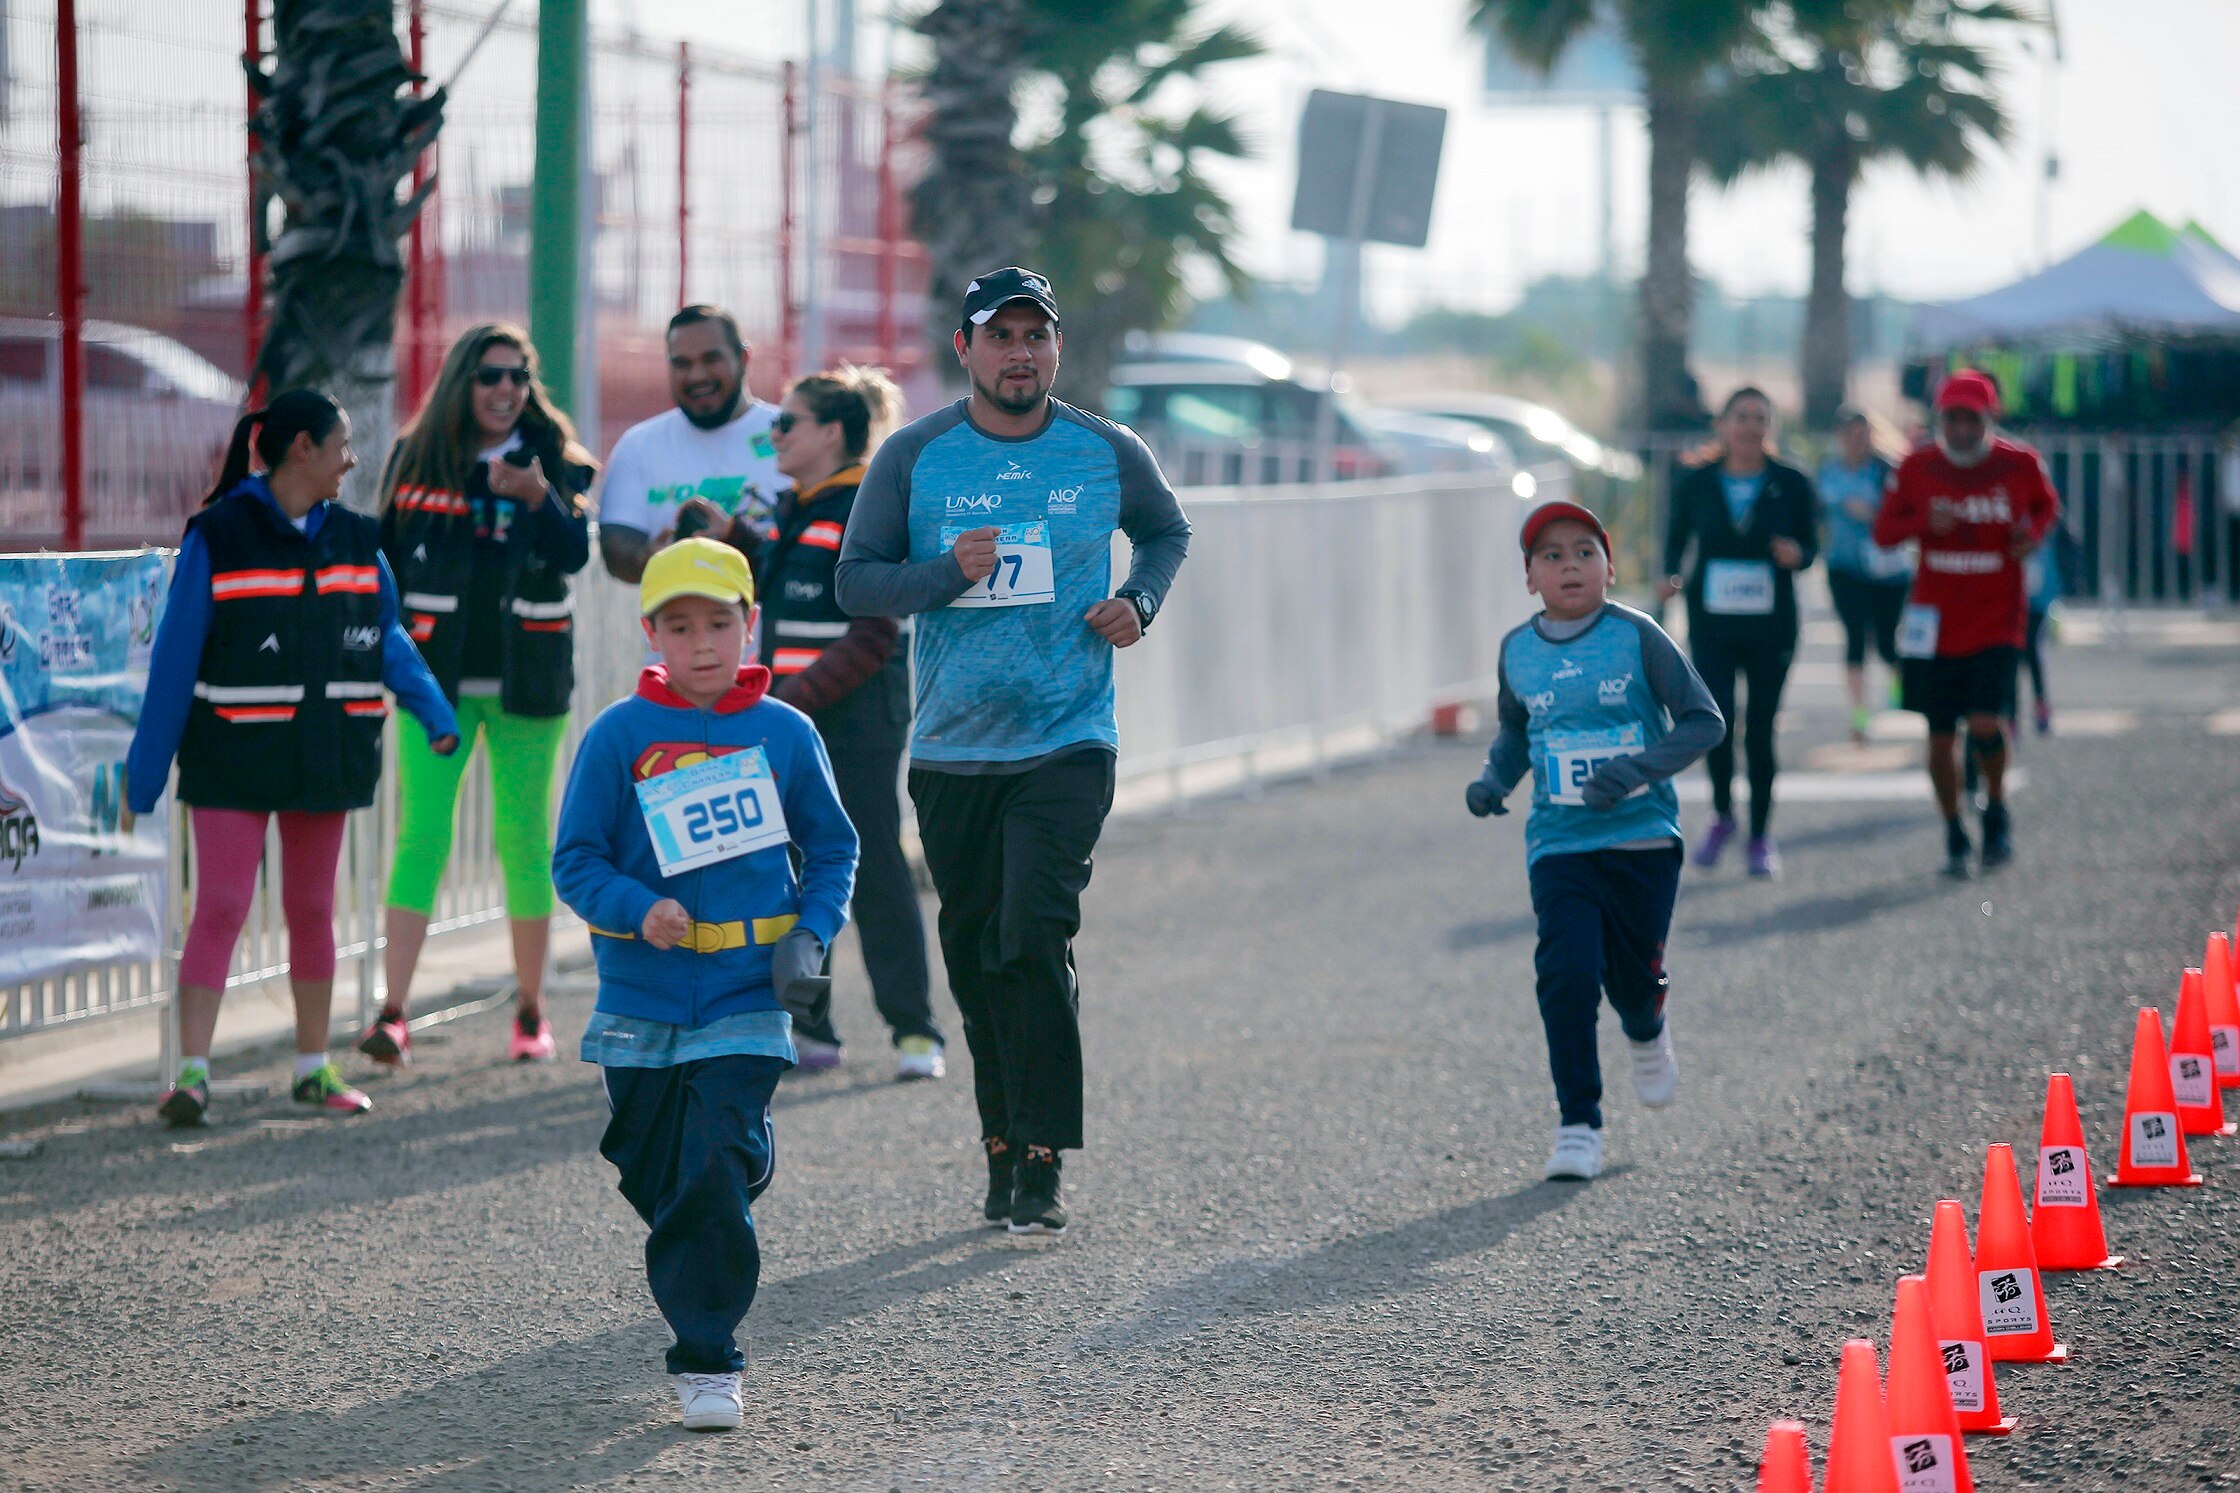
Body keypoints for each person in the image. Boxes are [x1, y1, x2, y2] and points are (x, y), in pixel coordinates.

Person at [835, 266, 1191, 1238]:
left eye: (1036, 335)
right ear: (965, 350)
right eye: (1001, 336)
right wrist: (943, 573)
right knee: (977, 952)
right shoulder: (914, 457)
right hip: (952, 750)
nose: (1020, 352)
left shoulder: (1102, 450)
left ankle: (1040, 1157)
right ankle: (1000, 1139)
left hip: (1066, 738)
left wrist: (1139, 600)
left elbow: (1164, 531)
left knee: (1032, 935)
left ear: (1056, 348)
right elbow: (855, 584)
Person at [552, 537, 857, 1432]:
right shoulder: (618, 735)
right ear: (650, 632)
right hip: (639, 1002)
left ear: (749, 623)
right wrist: (635, 907)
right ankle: (736, 1168)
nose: (700, 645)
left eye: (718, 623)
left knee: (709, 1170)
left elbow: (835, 846)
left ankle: (707, 1358)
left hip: (745, 997)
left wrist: (811, 931)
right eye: (679, 627)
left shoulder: (786, 731)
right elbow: (574, 860)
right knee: (658, 1176)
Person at [125, 390, 460, 1127]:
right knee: (220, 906)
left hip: (323, 754)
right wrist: (142, 779)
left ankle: (314, 1068)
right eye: (341, 444)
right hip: (231, 758)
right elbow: (174, 663)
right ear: (301, 448)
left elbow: (388, 639)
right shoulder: (217, 535)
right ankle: (190, 1075)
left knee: (312, 908)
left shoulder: (355, 538)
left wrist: (434, 711)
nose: (352, 459)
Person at [1464, 501, 1723, 1181]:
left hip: (1641, 838)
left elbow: (1705, 721)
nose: (1569, 564)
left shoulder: (1637, 637)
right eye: (1551, 555)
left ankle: (1646, 1023)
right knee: (1567, 974)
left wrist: (1635, 771)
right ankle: (1579, 1122)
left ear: (1609, 567)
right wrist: (1495, 779)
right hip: (1560, 841)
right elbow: (1517, 733)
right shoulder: (1517, 651)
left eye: (1584, 550)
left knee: (1630, 982)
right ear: (1530, 578)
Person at [360, 324, 595, 1068]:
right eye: (491, 375)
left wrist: (539, 498)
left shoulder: (553, 458)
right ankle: (392, 1010)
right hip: (438, 685)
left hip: (530, 682)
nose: (506, 390)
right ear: (462, 380)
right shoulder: (418, 456)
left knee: (523, 840)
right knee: (420, 836)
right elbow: (382, 564)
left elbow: (573, 554)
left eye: (519, 377)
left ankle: (531, 1009)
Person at [725, 363, 945, 1079]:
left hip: (856, 721)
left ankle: (915, 1031)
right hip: (797, 719)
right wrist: (733, 537)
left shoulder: (865, 505)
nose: (775, 434)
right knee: (789, 873)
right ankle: (811, 1027)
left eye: (787, 423)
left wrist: (789, 699)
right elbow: (782, 592)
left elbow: (874, 629)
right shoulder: (798, 503)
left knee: (874, 865)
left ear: (831, 433)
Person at [1874, 369, 2057, 878]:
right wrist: (1921, 525)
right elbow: (1884, 531)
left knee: (1984, 722)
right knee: (1938, 739)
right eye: (1950, 418)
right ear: (1938, 420)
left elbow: (2046, 506)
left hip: (1998, 615)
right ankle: (1954, 829)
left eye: (1970, 419)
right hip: (1934, 619)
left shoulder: (2019, 463)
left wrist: (2032, 534)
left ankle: (1995, 810)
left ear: (1988, 419)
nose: (1959, 429)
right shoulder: (1916, 466)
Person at [1658, 388, 1818, 877]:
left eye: (1760, 419)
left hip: (1772, 626)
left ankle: (1762, 835)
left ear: (1770, 428)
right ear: (1722, 425)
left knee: (1762, 731)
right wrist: (1667, 577)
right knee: (1718, 724)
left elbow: (1812, 546)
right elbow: (1675, 538)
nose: (1750, 427)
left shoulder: (1791, 481)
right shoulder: (1696, 481)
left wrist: (1798, 554)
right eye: (1741, 417)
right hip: (1713, 624)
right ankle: (1724, 815)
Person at [597, 305, 787, 583]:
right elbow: (617, 556)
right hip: (674, 623)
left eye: (711, 359)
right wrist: (652, 557)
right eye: (682, 363)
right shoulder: (639, 446)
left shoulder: (790, 433)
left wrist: (735, 537)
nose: (697, 375)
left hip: (771, 625)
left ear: (744, 358)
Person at [1817, 407, 1909, 744]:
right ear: (1841, 439)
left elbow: (1904, 513)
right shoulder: (1828, 473)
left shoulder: (1886, 471)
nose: (1858, 443)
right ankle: (1859, 714)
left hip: (1887, 572)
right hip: (1844, 567)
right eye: (1851, 436)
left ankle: (1898, 677)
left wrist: (1874, 514)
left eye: (1864, 436)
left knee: (1885, 642)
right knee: (1855, 635)